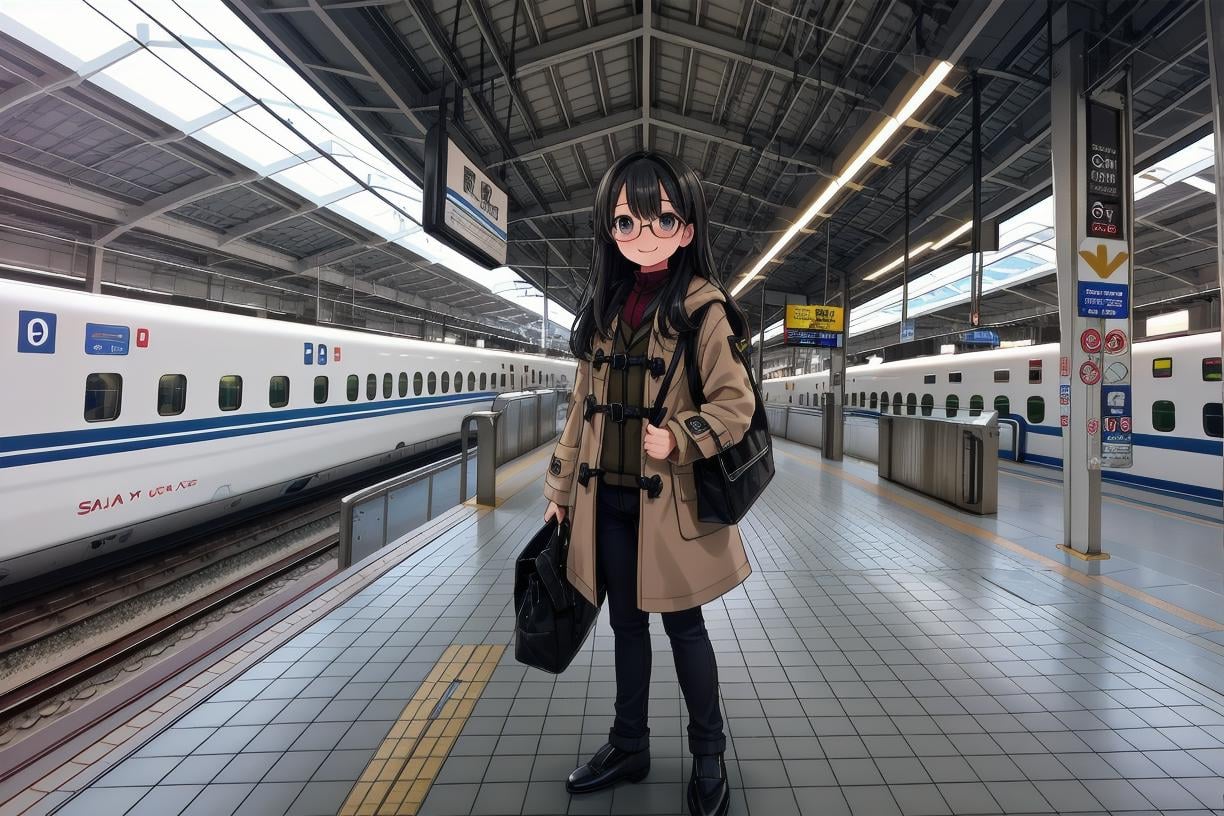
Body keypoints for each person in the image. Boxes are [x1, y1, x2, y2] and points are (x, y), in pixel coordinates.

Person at [542, 151, 758, 816]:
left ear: (687, 228)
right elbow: (582, 406)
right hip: (605, 499)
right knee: (627, 630)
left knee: (685, 630)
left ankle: (709, 755)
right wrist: (557, 490)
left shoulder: (703, 309)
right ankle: (629, 745)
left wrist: (682, 436)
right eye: (627, 221)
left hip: (668, 507)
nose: (644, 233)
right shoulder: (605, 307)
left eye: (661, 218)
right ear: (611, 230)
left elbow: (736, 403)